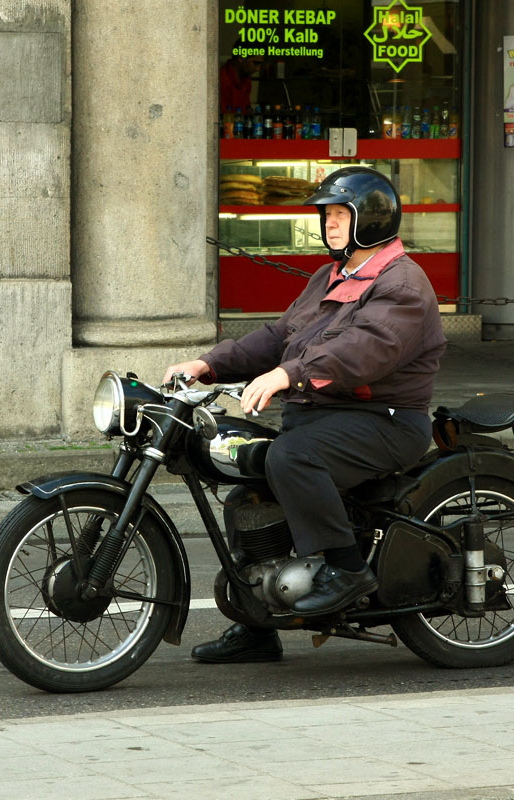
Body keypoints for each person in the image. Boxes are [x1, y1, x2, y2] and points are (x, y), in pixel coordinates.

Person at [164, 167, 447, 663]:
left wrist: (288, 375)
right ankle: (258, 623)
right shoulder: (332, 274)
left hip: (386, 420)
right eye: (327, 215)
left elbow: (365, 351)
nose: (331, 224)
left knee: (291, 459)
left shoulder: (402, 282)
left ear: (373, 220)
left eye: (341, 214)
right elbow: (278, 337)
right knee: (246, 493)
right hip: (326, 417)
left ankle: (347, 569)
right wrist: (208, 364)